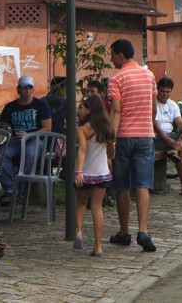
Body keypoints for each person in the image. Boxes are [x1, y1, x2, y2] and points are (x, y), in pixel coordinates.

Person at [107, 39, 158, 252]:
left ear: (120, 55)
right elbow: (154, 108)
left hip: (125, 136)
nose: (110, 59)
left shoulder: (116, 79)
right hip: (146, 135)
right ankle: (143, 231)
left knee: (122, 185)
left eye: (112, 55)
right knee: (143, 184)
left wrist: (111, 139)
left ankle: (124, 231)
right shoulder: (149, 75)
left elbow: (116, 111)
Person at [0, 75, 52, 206]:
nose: (27, 91)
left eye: (29, 88)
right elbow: (3, 127)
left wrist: (29, 134)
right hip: (16, 140)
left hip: (35, 139)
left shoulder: (41, 105)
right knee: (3, 153)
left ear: (33, 89)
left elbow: (47, 128)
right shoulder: (10, 107)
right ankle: (10, 189)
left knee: (30, 152)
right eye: (24, 88)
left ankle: (21, 187)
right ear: (18, 89)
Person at [73, 94, 115, 257]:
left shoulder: (83, 130)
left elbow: (82, 149)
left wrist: (79, 170)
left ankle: (79, 231)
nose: (79, 111)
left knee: (81, 203)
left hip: (86, 173)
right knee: (97, 208)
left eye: (82, 107)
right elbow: (111, 150)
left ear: (89, 110)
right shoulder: (107, 128)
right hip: (101, 173)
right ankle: (98, 246)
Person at [153, 77, 182, 198]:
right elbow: (156, 127)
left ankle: (175, 150)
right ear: (157, 90)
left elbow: (179, 121)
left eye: (168, 92)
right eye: (162, 91)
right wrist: (171, 142)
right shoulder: (153, 103)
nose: (165, 94)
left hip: (173, 137)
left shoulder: (172, 104)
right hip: (158, 137)